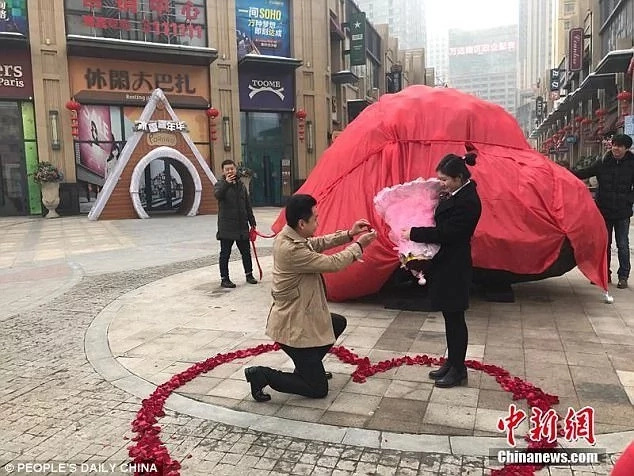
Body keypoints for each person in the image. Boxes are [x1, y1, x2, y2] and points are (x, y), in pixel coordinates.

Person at [244, 194, 377, 401]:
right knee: (317, 389)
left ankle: (308, 367)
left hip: (303, 316)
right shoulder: (290, 248)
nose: (318, 222)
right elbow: (333, 263)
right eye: (315, 218)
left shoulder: (292, 236)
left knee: (336, 323)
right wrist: (360, 245)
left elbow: (318, 243)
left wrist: (349, 234)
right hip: (293, 328)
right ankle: (262, 375)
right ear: (301, 223)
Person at [401, 151, 482, 388]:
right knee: (450, 317)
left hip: (455, 265)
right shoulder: (455, 193)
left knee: (456, 318)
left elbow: (449, 233)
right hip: (446, 263)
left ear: (458, 178)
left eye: (445, 179)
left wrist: (414, 233)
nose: (441, 183)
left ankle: (459, 369)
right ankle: (452, 363)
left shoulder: (468, 201)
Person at [573, 133, 634, 289]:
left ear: (626, 148)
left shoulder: (632, 165)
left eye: (619, 146)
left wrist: (629, 200)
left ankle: (623, 276)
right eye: (614, 144)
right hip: (604, 210)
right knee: (603, 244)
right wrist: (565, 173)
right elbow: (584, 172)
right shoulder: (603, 163)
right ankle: (604, 273)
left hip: (622, 212)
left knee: (623, 245)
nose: (615, 148)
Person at [214, 159, 257, 288]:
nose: (230, 171)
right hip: (227, 227)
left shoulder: (241, 185)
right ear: (223, 171)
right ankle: (224, 278)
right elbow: (217, 195)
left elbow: (247, 205)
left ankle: (249, 274)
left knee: (246, 252)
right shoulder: (220, 184)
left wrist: (252, 222)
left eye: (232, 169)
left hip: (241, 226)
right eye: (227, 169)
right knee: (225, 254)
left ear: (235, 169)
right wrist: (227, 184)